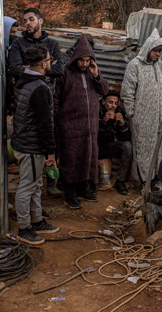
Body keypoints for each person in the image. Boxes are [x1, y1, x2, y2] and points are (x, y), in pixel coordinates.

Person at [10, 46, 60, 245]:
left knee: (35, 184)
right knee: (28, 186)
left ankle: (37, 220)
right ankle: (24, 228)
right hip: (32, 146)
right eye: (49, 60)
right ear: (44, 64)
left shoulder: (24, 82)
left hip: (24, 142)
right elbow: (44, 124)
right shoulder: (39, 88)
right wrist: (50, 152)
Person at [54, 35, 109, 209]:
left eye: (88, 60)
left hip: (89, 127)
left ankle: (82, 189)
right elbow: (55, 98)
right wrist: (56, 120)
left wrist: (96, 74)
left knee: (87, 157)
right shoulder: (65, 72)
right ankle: (69, 193)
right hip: (69, 126)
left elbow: (105, 90)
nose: (85, 64)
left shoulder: (91, 72)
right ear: (75, 58)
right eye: (82, 60)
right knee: (71, 159)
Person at [121, 29, 162, 190]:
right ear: (148, 49)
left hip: (160, 117)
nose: (157, 54)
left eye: (159, 51)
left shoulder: (160, 65)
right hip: (143, 117)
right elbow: (127, 93)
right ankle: (144, 180)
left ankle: (157, 178)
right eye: (155, 51)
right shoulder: (135, 66)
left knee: (160, 147)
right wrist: (132, 114)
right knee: (143, 149)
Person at [98, 91, 133, 195]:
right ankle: (91, 183)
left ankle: (120, 180)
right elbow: (95, 135)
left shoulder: (119, 111)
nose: (113, 106)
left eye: (115, 103)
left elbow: (125, 137)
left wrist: (122, 123)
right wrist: (104, 121)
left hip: (108, 147)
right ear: (103, 102)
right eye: (110, 102)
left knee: (127, 146)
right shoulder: (97, 110)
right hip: (94, 147)